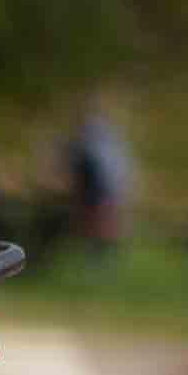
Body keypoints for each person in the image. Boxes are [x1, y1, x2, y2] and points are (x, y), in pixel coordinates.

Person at [61, 91, 133, 255]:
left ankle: (99, 252)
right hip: (102, 185)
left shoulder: (92, 136)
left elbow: (84, 160)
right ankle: (98, 251)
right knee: (100, 220)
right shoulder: (107, 136)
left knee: (99, 220)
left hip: (100, 186)